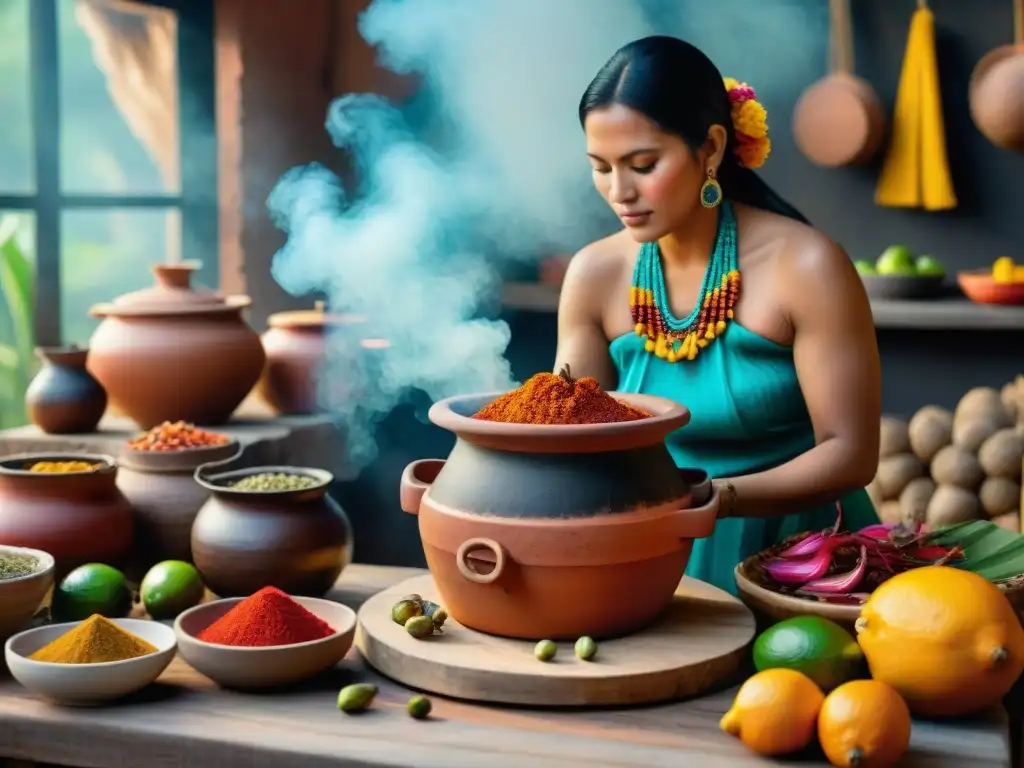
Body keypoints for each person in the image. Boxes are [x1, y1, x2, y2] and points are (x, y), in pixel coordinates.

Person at [556, 36, 881, 594]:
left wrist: (719, 499)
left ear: (709, 147)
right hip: (652, 560)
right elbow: (571, 432)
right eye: (601, 167)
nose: (619, 191)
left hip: (808, 566)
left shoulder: (806, 266)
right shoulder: (594, 276)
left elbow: (850, 455)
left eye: (642, 164)